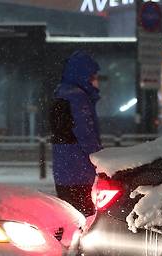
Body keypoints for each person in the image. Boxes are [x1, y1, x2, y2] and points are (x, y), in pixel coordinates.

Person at [49, 50, 102, 217]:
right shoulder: (78, 98)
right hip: (80, 171)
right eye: (93, 76)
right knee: (86, 217)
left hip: (64, 171)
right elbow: (85, 134)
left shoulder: (62, 93)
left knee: (70, 216)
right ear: (83, 75)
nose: (96, 81)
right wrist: (100, 160)